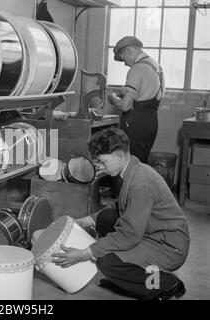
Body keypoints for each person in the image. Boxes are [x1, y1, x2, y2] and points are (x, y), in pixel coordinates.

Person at [52, 128, 190, 300]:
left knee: (107, 262)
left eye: (103, 162)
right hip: (152, 232)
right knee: (105, 218)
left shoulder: (141, 183)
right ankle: (126, 277)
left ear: (118, 156)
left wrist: (86, 253)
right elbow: (120, 208)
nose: (99, 167)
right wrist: (85, 221)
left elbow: (129, 235)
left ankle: (165, 284)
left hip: (168, 246)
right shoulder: (131, 170)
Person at [107, 36, 165, 164]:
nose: (125, 64)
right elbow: (148, 94)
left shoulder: (138, 68)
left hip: (136, 126)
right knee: (139, 165)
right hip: (150, 122)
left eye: (123, 59)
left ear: (129, 51)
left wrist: (113, 98)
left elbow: (125, 106)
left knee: (129, 167)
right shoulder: (156, 66)